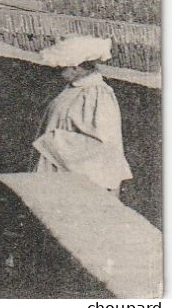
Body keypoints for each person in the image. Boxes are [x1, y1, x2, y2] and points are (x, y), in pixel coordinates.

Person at [31, 36, 131, 195]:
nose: (57, 72)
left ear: (76, 67)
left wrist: (55, 140)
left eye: (62, 68)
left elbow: (103, 145)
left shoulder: (97, 95)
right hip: (56, 165)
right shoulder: (75, 88)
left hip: (70, 174)